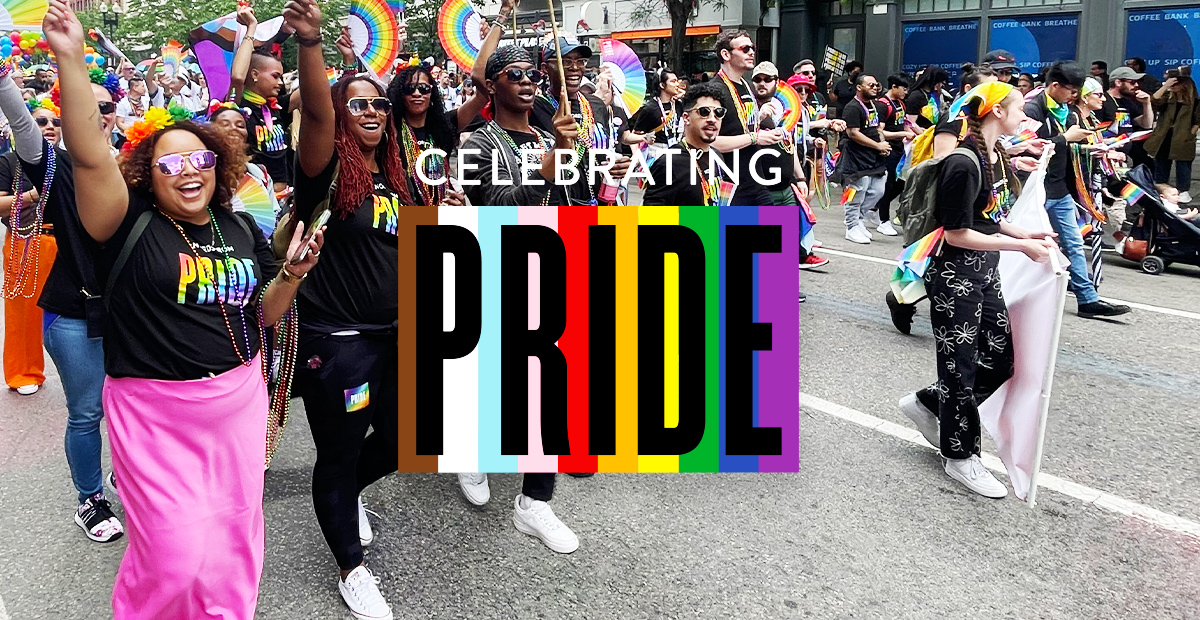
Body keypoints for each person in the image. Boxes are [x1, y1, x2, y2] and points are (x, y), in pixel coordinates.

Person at [44, 0, 323, 616]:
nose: (188, 170)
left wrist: (296, 274)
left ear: (217, 164)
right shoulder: (126, 222)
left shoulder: (238, 226)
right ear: (148, 173)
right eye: (170, 162)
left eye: (199, 158)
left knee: (230, 546)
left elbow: (263, 317)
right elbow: (90, 154)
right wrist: (69, 58)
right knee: (172, 552)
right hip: (155, 412)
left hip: (238, 402)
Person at [284, 0, 412, 616]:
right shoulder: (324, 169)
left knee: (399, 441)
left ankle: (344, 492)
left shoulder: (394, 176)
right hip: (337, 343)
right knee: (336, 452)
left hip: (396, 337)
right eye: (357, 103)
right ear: (340, 114)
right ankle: (350, 568)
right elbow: (313, 110)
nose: (371, 111)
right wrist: (310, 44)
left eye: (379, 104)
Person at [898, 82, 1058, 499]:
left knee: (1001, 359)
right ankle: (960, 456)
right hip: (954, 275)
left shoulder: (994, 154)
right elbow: (957, 233)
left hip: (983, 272)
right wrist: (1020, 246)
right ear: (997, 112)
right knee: (961, 368)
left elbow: (989, 215)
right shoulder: (963, 162)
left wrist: (1024, 231)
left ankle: (929, 403)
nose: (1025, 116)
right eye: (1019, 108)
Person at [0, 53, 126, 542]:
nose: (96, 114)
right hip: (73, 313)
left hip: (132, 314)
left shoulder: (144, 165)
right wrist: (5, 81)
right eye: (84, 106)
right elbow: (25, 129)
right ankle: (90, 499)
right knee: (87, 410)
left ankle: (130, 476)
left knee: (133, 403)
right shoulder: (58, 167)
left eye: (105, 106)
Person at [1024, 61, 1130, 319]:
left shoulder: (1067, 112)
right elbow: (1028, 146)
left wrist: (1088, 149)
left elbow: (1066, 148)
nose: (1074, 96)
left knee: (1073, 242)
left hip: (1060, 189)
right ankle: (1020, 297)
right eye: (1071, 90)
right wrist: (1065, 139)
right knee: (1026, 244)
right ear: (1055, 85)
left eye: (1078, 91)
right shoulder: (1032, 108)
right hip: (1033, 190)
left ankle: (1087, 299)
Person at [461, 46, 578, 206]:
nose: (526, 80)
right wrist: (556, 154)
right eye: (514, 74)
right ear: (491, 86)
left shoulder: (548, 139)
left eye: (533, 74)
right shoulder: (478, 147)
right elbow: (505, 207)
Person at [1, 100, 58, 396]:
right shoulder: (9, 161)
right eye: (41, 121)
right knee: (23, 311)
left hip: (68, 241)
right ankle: (23, 372)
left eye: (55, 122)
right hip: (26, 242)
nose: (49, 127)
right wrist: (32, 195)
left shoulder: (70, 158)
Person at [531, 36, 629, 205]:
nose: (575, 67)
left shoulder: (596, 105)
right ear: (545, 68)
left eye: (580, 61)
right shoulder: (534, 108)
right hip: (558, 205)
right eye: (566, 61)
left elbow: (606, 152)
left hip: (598, 202)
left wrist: (617, 165)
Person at [709, 29, 776, 205]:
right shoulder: (714, 90)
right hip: (729, 187)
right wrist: (755, 137)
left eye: (752, 48)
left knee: (784, 231)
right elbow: (710, 141)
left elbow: (737, 125)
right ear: (726, 54)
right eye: (745, 49)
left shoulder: (746, 85)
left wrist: (760, 121)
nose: (752, 52)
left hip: (756, 181)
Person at [643, 81, 727, 206]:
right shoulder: (669, 163)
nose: (712, 119)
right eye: (704, 112)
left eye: (718, 113)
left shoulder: (717, 156)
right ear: (686, 118)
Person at [836, 73, 889, 244]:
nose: (875, 87)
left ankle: (859, 219)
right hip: (856, 157)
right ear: (859, 87)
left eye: (876, 85)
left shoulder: (874, 105)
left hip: (873, 157)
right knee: (857, 191)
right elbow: (853, 133)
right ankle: (851, 227)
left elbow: (877, 129)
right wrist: (877, 146)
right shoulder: (853, 107)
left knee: (878, 190)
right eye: (870, 85)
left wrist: (883, 144)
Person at [750, 61, 807, 207]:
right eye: (757, 79)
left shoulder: (786, 109)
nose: (762, 83)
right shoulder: (746, 107)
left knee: (790, 230)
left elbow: (789, 145)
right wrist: (758, 117)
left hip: (787, 188)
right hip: (761, 191)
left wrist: (800, 178)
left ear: (776, 82)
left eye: (767, 79)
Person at [240, 49, 292, 193]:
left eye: (281, 77)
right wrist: (250, 33)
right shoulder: (238, 110)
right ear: (255, 74)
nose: (280, 82)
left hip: (285, 196)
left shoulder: (277, 107)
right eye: (275, 76)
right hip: (257, 198)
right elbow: (237, 78)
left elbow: (310, 90)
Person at [1145, 73, 1200, 203]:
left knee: (1183, 165)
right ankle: (1162, 189)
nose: (1173, 87)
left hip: (1183, 137)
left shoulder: (1195, 102)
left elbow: (1198, 119)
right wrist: (1166, 86)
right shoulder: (1168, 99)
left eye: (1176, 84)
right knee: (1162, 163)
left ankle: (1183, 190)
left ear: (1184, 85)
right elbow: (1154, 100)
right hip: (1164, 136)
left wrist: (1192, 131)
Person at [876, 72, 915, 235]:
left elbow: (904, 124)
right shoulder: (883, 105)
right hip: (888, 150)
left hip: (901, 150)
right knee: (888, 185)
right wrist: (902, 135)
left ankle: (875, 207)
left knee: (901, 184)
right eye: (903, 88)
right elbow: (880, 132)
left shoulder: (900, 103)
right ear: (894, 87)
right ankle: (883, 220)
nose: (906, 92)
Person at [631, 66, 684, 153]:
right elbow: (635, 134)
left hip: (675, 149)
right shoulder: (650, 108)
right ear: (662, 85)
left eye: (677, 81)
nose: (677, 85)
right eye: (673, 81)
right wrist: (635, 155)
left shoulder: (678, 105)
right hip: (656, 152)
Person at [906, 66, 948, 130]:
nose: (941, 85)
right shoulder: (916, 96)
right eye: (939, 82)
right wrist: (924, 135)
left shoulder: (934, 95)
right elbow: (910, 123)